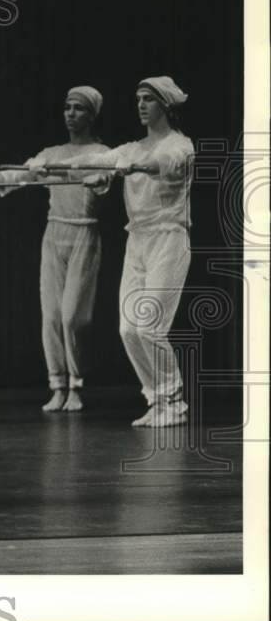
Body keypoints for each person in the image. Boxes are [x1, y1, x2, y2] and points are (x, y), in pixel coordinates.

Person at [0, 86, 109, 412]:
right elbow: (18, 175)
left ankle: (77, 386)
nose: (71, 114)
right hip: (54, 233)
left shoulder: (102, 153)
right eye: (68, 107)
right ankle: (57, 385)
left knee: (73, 317)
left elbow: (105, 179)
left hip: (84, 234)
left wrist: (95, 179)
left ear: (91, 115)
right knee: (52, 316)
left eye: (79, 108)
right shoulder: (51, 152)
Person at [68, 77, 193, 428]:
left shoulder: (180, 145)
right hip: (137, 240)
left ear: (164, 105)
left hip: (169, 239)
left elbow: (165, 163)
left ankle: (175, 402)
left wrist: (134, 167)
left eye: (148, 99)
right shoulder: (132, 148)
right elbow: (99, 159)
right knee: (128, 329)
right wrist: (54, 167)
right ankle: (157, 400)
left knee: (150, 326)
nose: (140, 105)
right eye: (138, 99)